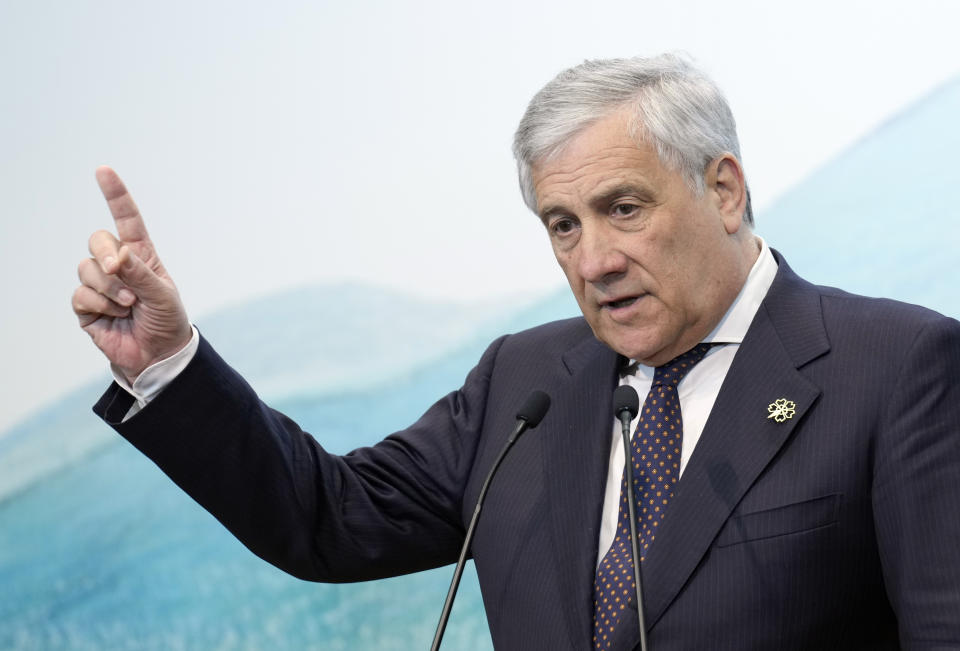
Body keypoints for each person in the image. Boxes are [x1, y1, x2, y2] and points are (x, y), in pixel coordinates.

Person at [73, 54, 960, 650]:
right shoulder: (523, 382)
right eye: (562, 225)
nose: (594, 260)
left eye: (624, 208)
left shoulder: (897, 368)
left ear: (723, 189)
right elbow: (327, 519)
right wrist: (166, 359)